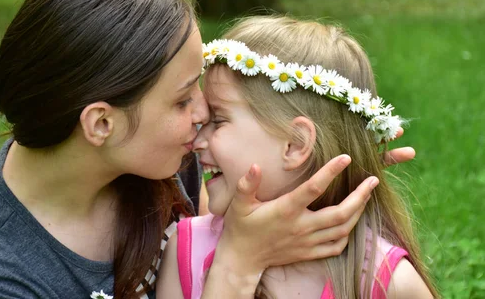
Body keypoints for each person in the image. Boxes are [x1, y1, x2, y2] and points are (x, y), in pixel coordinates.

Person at [0, 0, 416, 299]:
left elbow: (224, 218)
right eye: (183, 99)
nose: (202, 114)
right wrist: (238, 264)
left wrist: (324, 169)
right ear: (101, 124)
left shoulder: (166, 155)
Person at [157, 16, 437, 298]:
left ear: (295, 144)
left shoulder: (384, 281)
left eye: (217, 120)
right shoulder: (185, 251)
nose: (197, 140)